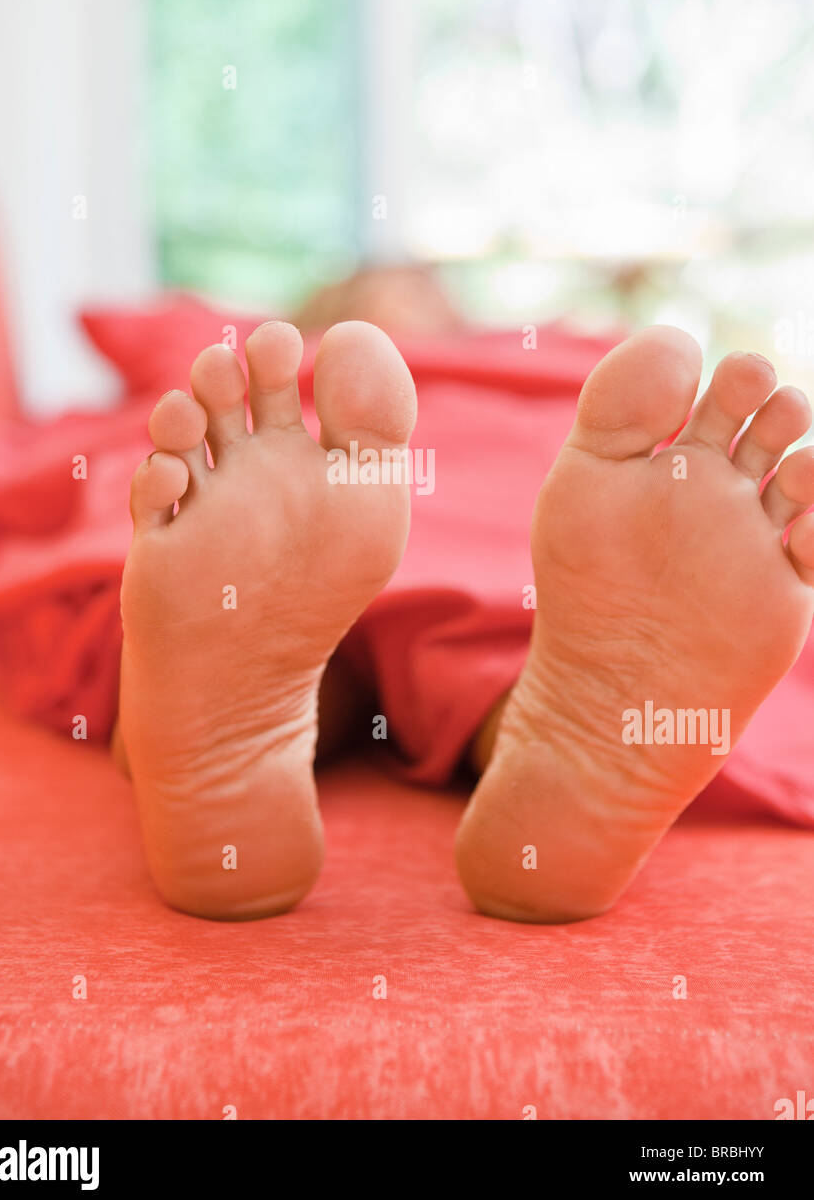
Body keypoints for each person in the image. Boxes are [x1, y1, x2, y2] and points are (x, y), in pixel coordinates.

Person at [114, 272, 814, 925]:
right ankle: (545, 747)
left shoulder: (533, 354)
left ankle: (559, 745)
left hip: (373, 532)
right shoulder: (243, 413)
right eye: (363, 295)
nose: (391, 309)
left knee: (292, 618)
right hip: (302, 531)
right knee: (263, 598)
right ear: (310, 318)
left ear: (455, 314)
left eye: (411, 292)